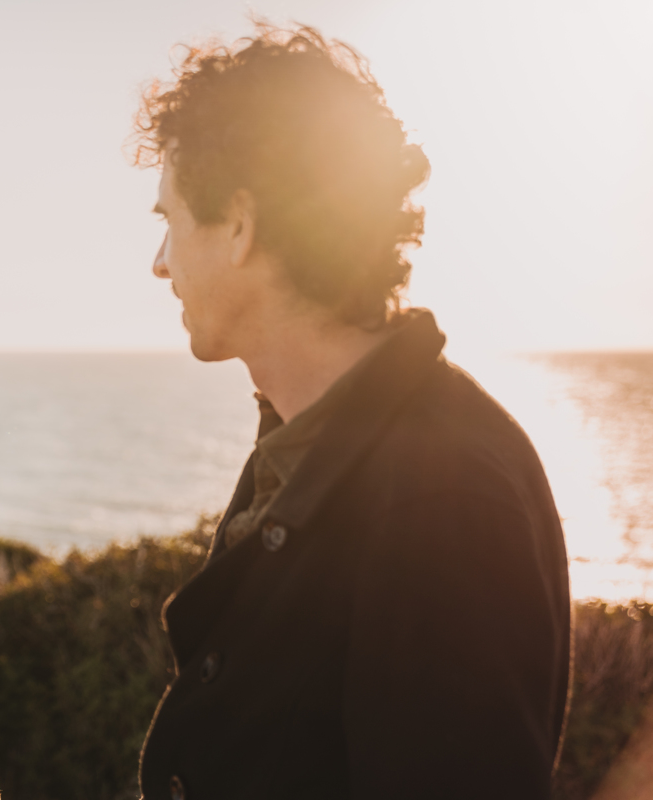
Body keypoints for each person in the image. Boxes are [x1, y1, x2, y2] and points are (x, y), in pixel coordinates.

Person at [133, 23, 571, 799]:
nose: (159, 261)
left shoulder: (446, 500)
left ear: (239, 224)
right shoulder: (309, 437)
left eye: (168, 220)